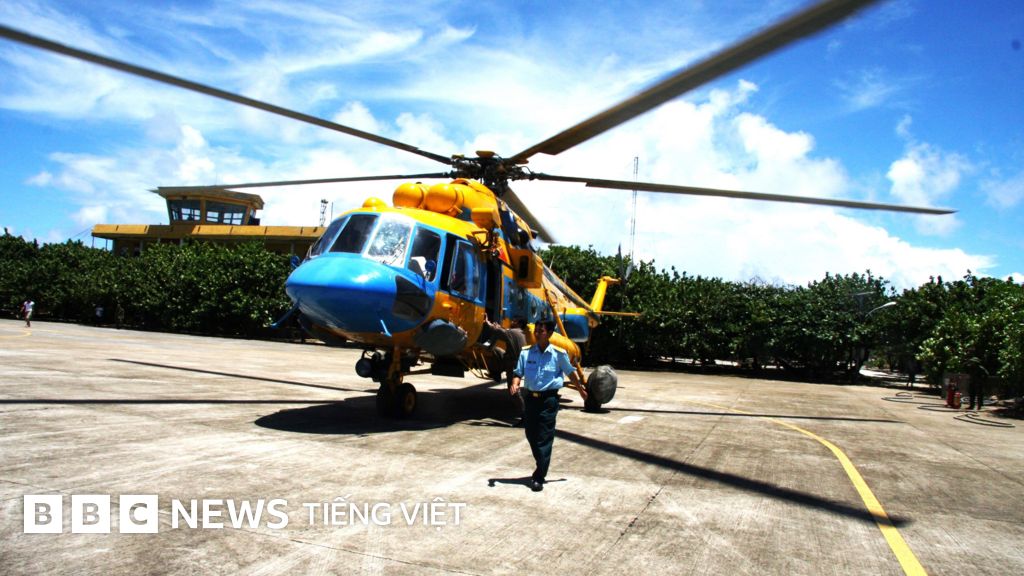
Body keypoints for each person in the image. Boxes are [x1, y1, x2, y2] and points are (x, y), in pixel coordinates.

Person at [510, 319, 584, 492]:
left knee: (544, 437)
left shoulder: (559, 354)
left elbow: (570, 373)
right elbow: (518, 372)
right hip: (530, 399)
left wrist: (581, 390)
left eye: (541, 331)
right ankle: (541, 463)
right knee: (531, 434)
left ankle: (539, 476)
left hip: (549, 400)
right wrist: (515, 383)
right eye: (536, 330)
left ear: (550, 333)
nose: (536, 334)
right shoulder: (526, 352)